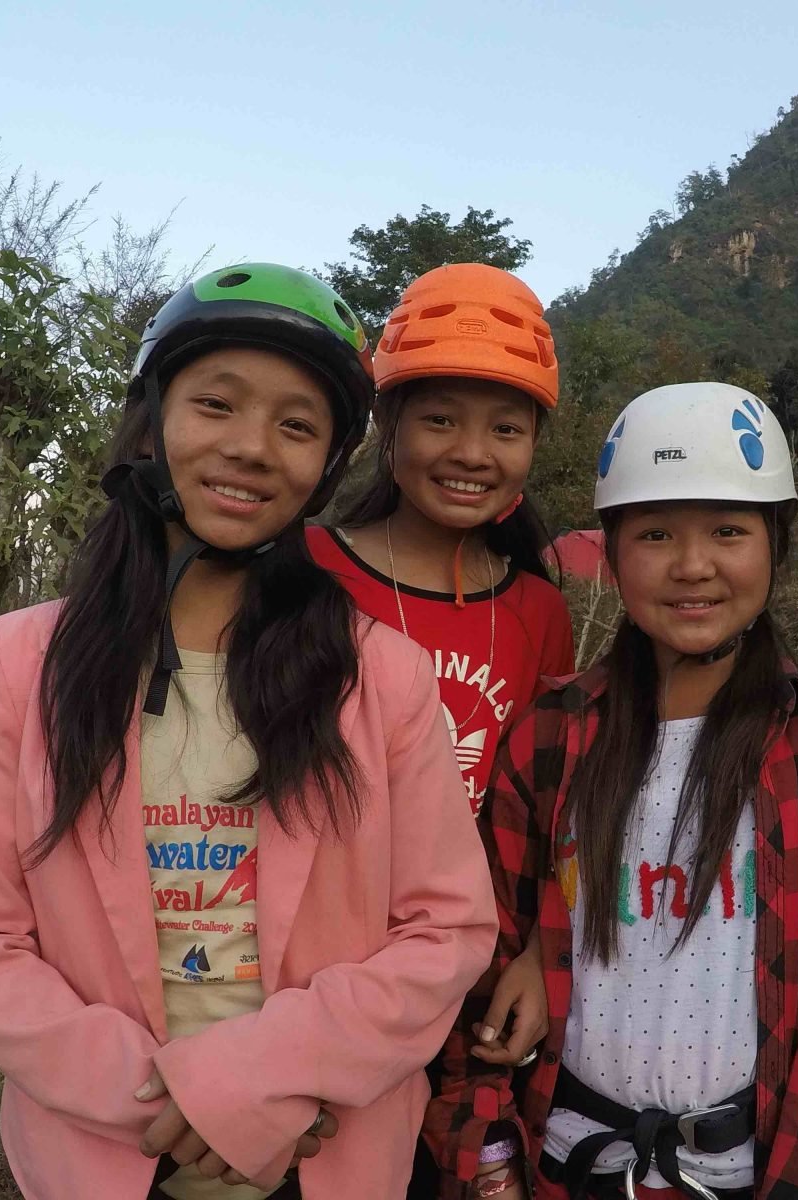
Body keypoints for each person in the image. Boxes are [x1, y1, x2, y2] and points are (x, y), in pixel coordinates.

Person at [0, 263, 497, 1200]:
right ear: (153, 423)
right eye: (216, 405)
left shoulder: (379, 672)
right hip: (103, 1160)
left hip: (325, 1158)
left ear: (328, 466)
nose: (254, 448)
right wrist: (165, 1102)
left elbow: (446, 927)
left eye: (297, 425)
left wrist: (260, 1084)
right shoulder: (21, 663)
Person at [428, 382, 798, 1200]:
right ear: (608, 553)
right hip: (565, 1163)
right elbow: (483, 954)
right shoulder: (549, 736)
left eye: (728, 531)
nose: (692, 566)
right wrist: (486, 1151)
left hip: (745, 1172)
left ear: (775, 546)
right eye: (654, 534)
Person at [305, 263, 575, 1197]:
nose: (473, 450)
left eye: (506, 427)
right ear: (389, 427)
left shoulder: (538, 608)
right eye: (440, 419)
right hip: (324, 981)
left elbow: (556, 805)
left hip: (478, 993)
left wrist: (541, 956)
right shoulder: (305, 571)